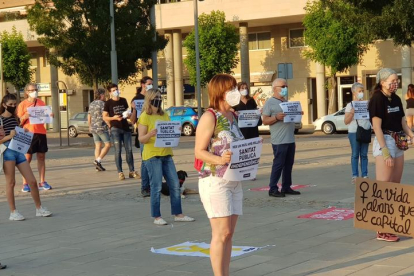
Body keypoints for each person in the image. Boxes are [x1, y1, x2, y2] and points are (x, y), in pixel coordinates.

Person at [195, 74, 244, 276]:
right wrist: (219, 159)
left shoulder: (233, 116)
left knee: (229, 234)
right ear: (220, 92)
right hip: (215, 180)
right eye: (231, 88)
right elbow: (199, 151)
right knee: (221, 233)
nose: (236, 92)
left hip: (234, 180)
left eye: (235, 87)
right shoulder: (210, 116)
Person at [368, 68, 414, 242]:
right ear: (382, 81)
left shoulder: (395, 98)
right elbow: (377, 127)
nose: (395, 83)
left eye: (397, 80)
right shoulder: (377, 99)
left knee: (395, 186)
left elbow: (402, 122)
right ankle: (381, 229)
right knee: (384, 187)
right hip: (385, 141)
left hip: (398, 141)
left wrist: (411, 134)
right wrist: (385, 152)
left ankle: (391, 223)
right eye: (392, 80)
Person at [138, 88, 194, 225]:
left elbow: (169, 131)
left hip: (166, 154)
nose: (158, 100)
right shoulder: (145, 116)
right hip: (152, 156)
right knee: (156, 186)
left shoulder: (164, 115)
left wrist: (176, 131)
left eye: (159, 97)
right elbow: (141, 139)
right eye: (156, 98)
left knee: (175, 185)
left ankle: (178, 214)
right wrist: (150, 134)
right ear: (150, 99)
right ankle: (157, 216)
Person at [1, 94, 52, 221]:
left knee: (33, 181)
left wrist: (23, 132)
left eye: (14, 104)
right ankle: (13, 212)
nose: (13, 106)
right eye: (10, 104)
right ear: (4, 105)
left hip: (18, 150)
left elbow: (17, 131)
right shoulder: (0, 119)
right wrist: (9, 136)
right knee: (11, 182)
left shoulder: (15, 118)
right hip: (7, 151)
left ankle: (39, 208)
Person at [262, 78, 301, 197]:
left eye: (286, 86)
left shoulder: (286, 102)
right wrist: (276, 118)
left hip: (290, 138)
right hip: (279, 140)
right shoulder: (270, 102)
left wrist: (298, 114)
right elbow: (265, 120)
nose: (285, 89)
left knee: (288, 164)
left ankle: (286, 186)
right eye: (283, 87)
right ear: (275, 88)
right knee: (278, 164)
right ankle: (273, 188)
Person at [17, 83, 53, 192]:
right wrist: (24, 116)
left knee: (41, 157)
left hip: (41, 132)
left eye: (36, 89)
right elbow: (18, 121)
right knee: (27, 158)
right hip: (28, 133)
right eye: (32, 90)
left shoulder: (41, 102)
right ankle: (25, 183)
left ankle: (42, 181)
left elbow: (46, 115)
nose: (35, 91)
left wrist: (50, 116)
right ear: (27, 92)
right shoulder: (22, 105)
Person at [103, 83, 139, 180]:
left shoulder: (123, 100)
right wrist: (113, 118)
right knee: (118, 151)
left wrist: (128, 114)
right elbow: (104, 116)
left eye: (116, 89)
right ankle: (120, 172)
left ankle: (132, 171)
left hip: (125, 128)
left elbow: (128, 112)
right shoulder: (108, 103)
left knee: (129, 150)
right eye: (114, 90)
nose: (116, 91)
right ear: (110, 92)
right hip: (115, 129)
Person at [344, 82, 371, 184]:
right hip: (354, 132)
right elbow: (346, 121)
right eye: (359, 91)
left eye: (363, 91)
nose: (361, 93)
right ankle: (355, 175)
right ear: (354, 92)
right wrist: (352, 112)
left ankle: (365, 175)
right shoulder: (349, 105)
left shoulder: (366, 104)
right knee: (355, 154)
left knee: (364, 154)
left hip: (365, 130)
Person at [131, 76, 153, 197]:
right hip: (143, 133)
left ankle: (153, 185)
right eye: (149, 84)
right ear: (143, 84)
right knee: (145, 161)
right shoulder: (137, 99)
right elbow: (133, 120)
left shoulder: (152, 97)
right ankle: (145, 187)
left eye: (151, 84)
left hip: (153, 133)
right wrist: (134, 109)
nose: (150, 86)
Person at [88, 89, 111, 171]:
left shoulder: (92, 103)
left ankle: (98, 165)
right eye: (104, 94)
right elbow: (105, 116)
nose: (105, 96)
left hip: (93, 127)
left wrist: (89, 126)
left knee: (98, 146)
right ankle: (98, 160)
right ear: (101, 95)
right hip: (101, 127)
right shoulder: (103, 104)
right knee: (108, 144)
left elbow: (89, 115)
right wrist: (109, 125)